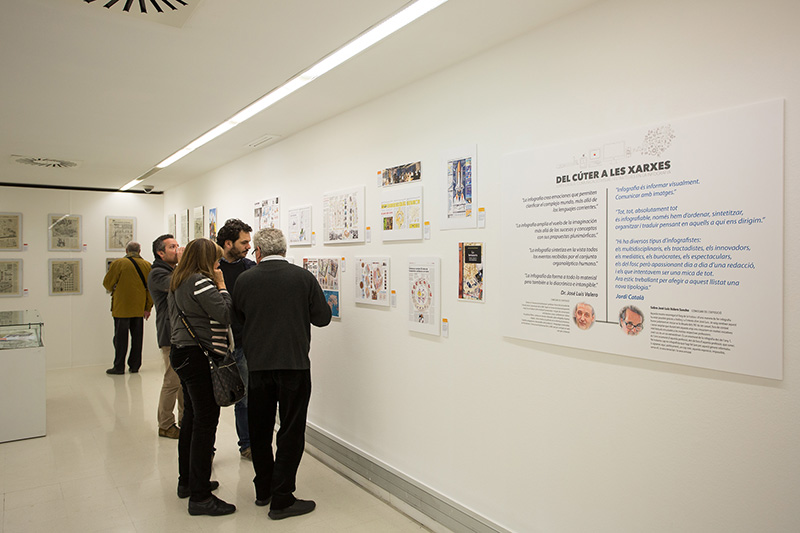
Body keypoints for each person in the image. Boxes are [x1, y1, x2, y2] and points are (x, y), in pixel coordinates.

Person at [233, 228, 331, 520]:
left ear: (258, 252)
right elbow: (322, 318)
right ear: (284, 250)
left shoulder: (244, 280)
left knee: (260, 430)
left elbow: (237, 320)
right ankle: (283, 497)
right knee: (290, 431)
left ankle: (263, 489)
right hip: (294, 366)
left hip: (258, 367)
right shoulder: (303, 278)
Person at [167, 238, 236, 516]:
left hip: (182, 353)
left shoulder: (179, 279)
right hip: (199, 357)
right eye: (216, 260)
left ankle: (188, 481)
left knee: (192, 419)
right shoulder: (200, 282)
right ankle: (200, 497)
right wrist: (222, 286)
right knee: (205, 423)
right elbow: (225, 314)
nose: (218, 265)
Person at [215, 219, 256, 460]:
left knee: (244, 397)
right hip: (214, 344)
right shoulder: (211, 269)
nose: (249, 246)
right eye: (244, 242)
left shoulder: (250, 268)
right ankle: (206, 450)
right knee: (210, 399)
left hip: (242, 342)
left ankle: (247, 445)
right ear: (228, 243)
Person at [148, 234, 184, 439]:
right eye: (172, 247)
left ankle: (184, 420)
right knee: (172, 380)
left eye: (177, 246)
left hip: (179, 333)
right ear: (160, 253)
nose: (177, 249)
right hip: (170, 334)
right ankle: (165, 424)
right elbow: (178, 284)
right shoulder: (157, 273)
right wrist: (187, 262)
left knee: (182, 382)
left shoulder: (172, 270)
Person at [103, 241, 153, 374]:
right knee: (137, 339)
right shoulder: (147, 265)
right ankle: (135, 366)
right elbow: (150, 290)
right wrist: (148, 307)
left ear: (126, 251)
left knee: (120, 339)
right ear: (139, 251)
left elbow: (107, 283)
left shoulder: (118, 264)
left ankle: (119, 366)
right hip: (139, 308)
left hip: (122, 308)